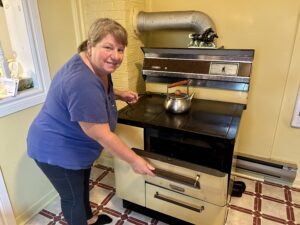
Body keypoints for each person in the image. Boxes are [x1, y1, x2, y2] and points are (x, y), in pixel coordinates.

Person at [27, 18, 155, 225]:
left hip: (74, 147)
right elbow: (101, 134)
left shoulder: (94, 65)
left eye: (120, 49)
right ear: (90, 45)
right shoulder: (81, 81)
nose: (116, 56)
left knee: (81, 186)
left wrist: (120, 94)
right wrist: (135, 160)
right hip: (57, 149)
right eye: (108, 47)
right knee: (73, 199)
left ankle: (90, 219)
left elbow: (99, 93)